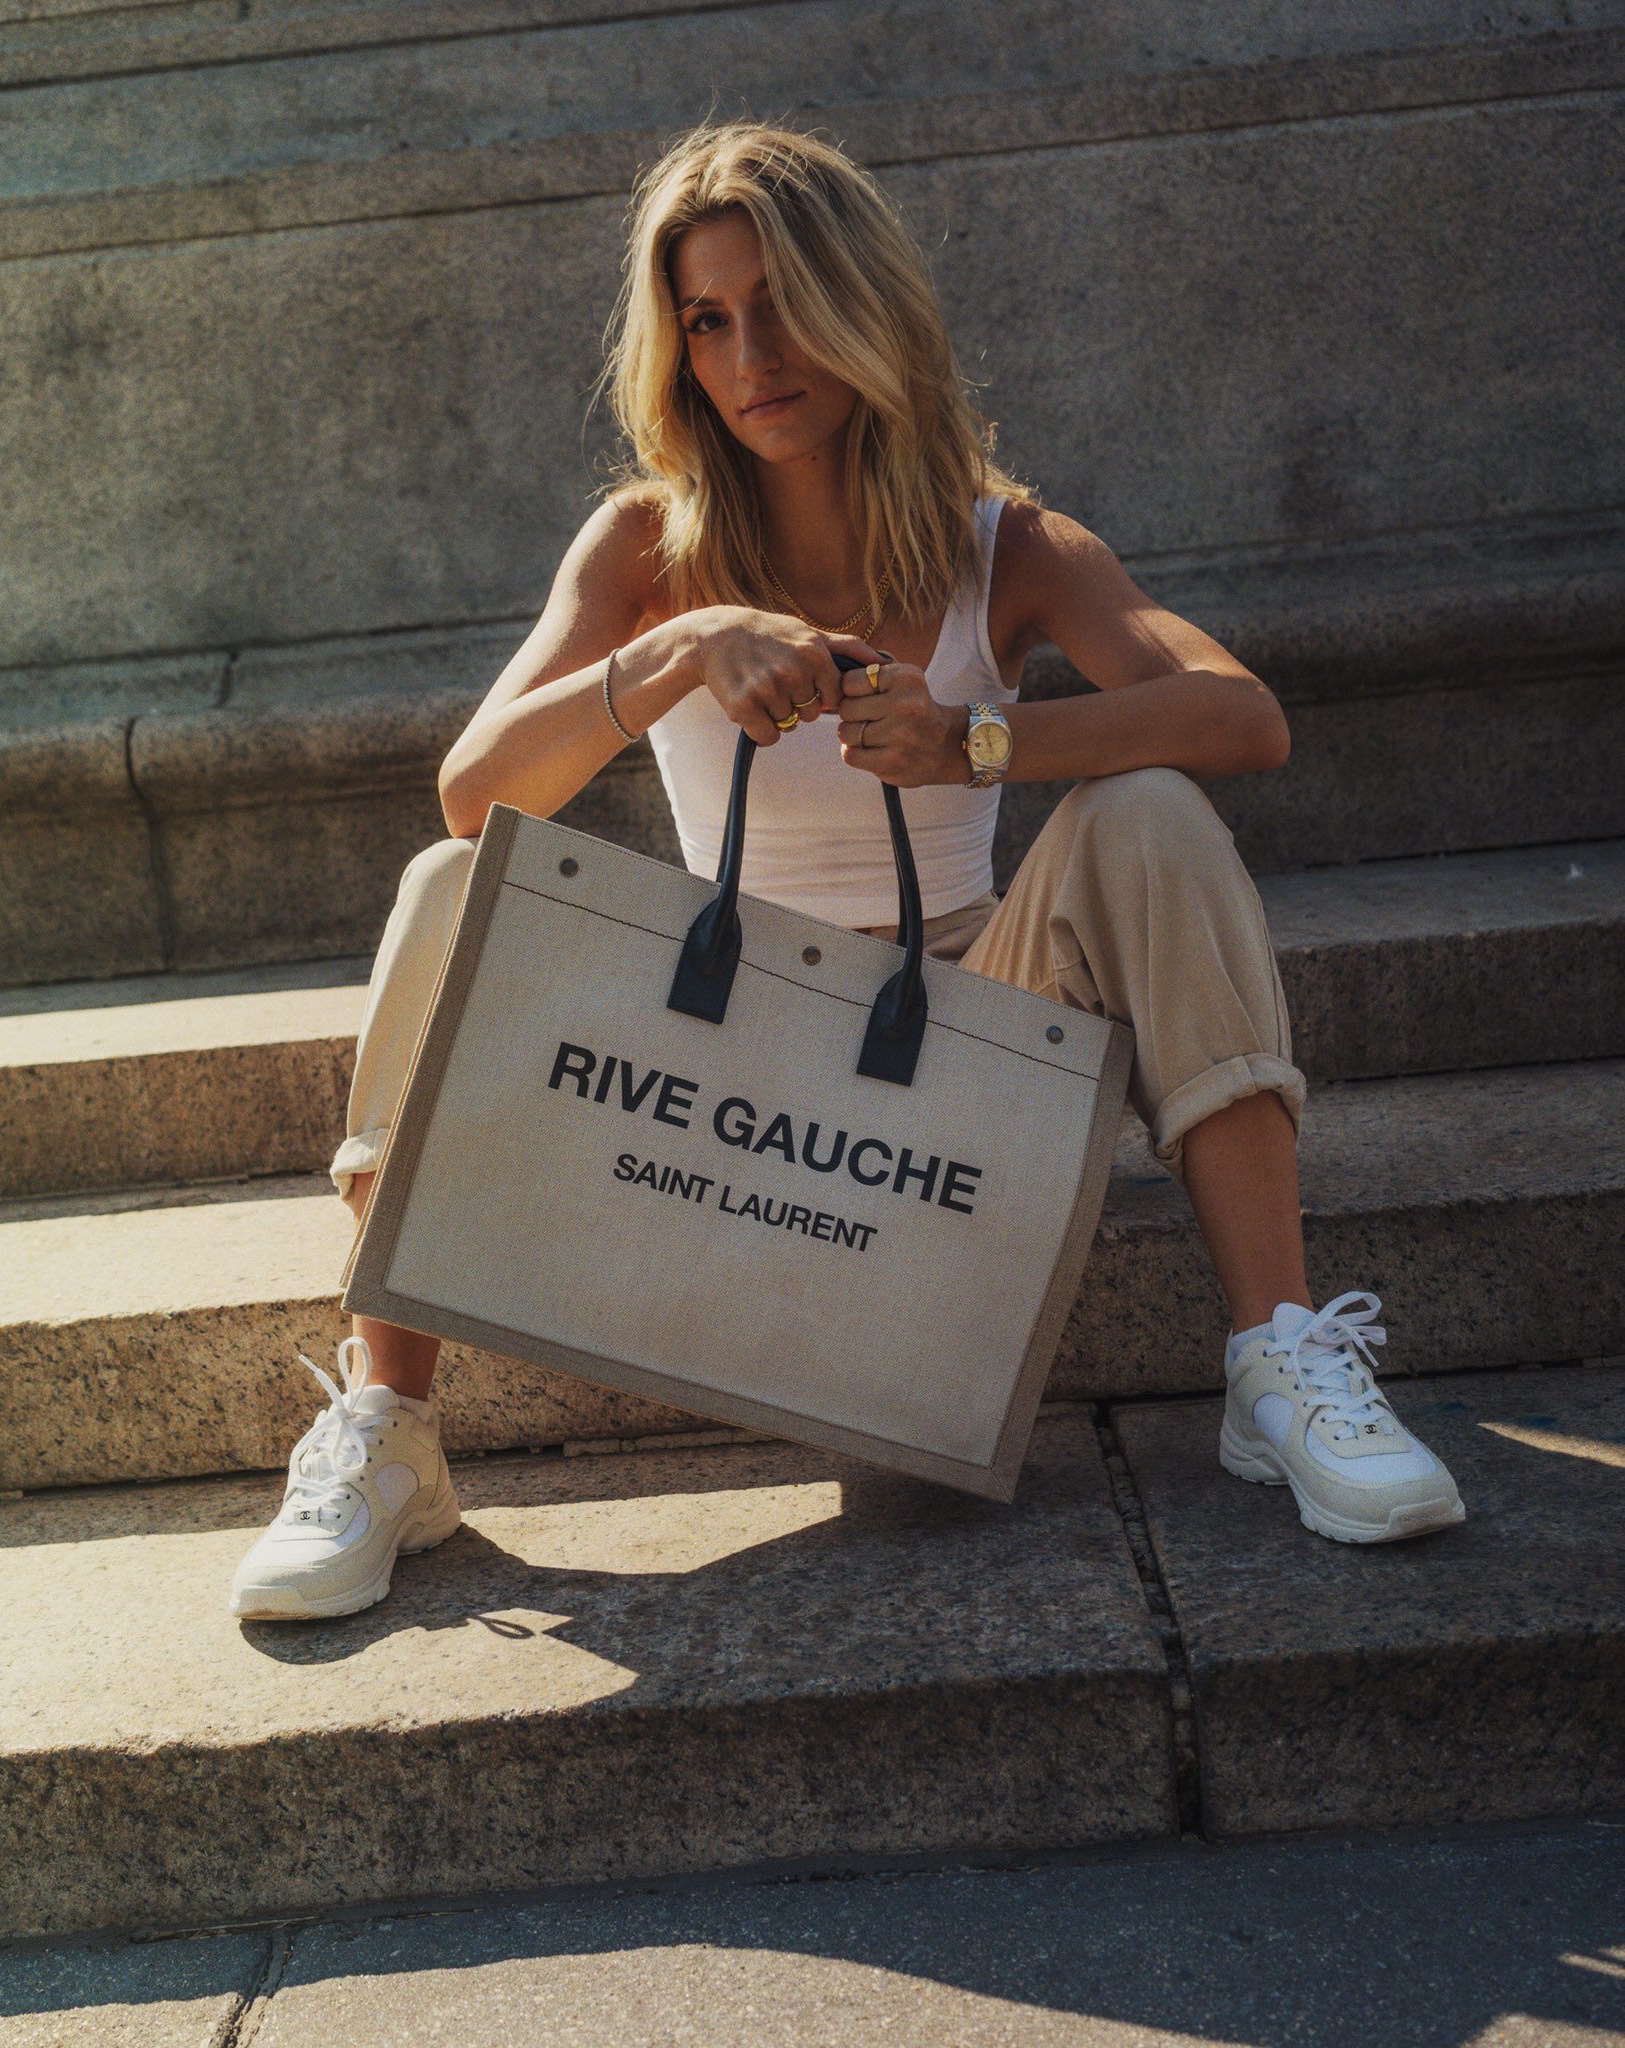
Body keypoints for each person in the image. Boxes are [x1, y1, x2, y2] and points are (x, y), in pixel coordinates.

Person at [230, 118, 1465, 1622]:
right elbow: (474, 791)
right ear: (673, 346)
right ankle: (387, 1434)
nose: (751, 353)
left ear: (863, 306)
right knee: (446, 885)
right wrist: (677, 650)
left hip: (955, 1028)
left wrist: (975, 743)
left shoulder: (1005, 545)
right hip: (708, 1052)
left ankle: (1279, 1362)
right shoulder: (645, 545)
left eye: (781, 304)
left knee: (1149, 811)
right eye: (707, 319)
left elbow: (1240, 719)